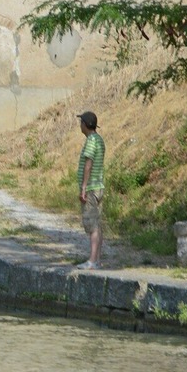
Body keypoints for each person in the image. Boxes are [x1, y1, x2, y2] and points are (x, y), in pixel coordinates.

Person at [75, 111, 105, 270]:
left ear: (85, 125)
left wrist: (84, 187)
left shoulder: (91, 141)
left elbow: (88, 164)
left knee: (91, 225)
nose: (80, 125)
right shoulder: (99, 140)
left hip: (91, 188)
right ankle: (97, 259)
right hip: (99, 187)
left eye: (81, 123)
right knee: (97, 224)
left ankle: (92, 261)